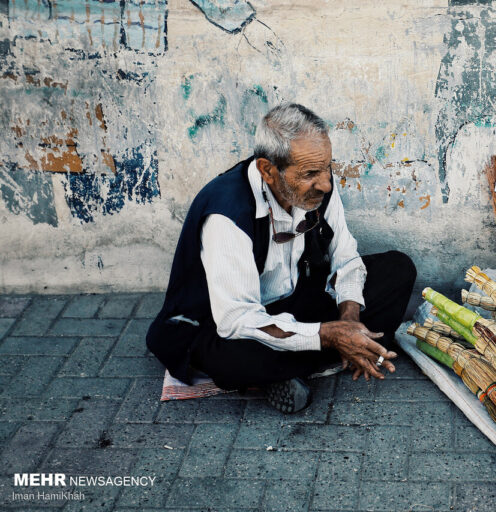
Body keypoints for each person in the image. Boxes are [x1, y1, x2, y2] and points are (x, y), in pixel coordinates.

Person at [146, 103, 417, 413]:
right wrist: (326, 335)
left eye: (327, 167)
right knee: (234, 358)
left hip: (291, 302)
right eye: (311, 173)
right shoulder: (227, 214)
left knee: (398, 270)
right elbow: (237, 320)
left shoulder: (318, 186)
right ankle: (316, 356)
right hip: (223, 325)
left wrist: (349, 319)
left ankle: (297, 364)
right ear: (268, 170)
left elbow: (345, 257)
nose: (326, 183)